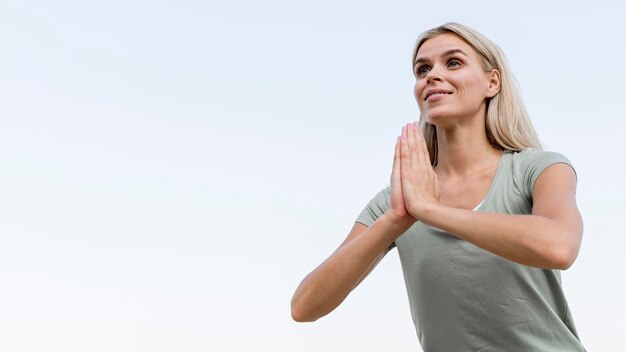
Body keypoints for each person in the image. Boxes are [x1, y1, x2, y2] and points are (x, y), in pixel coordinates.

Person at [290, 22, 586, 351]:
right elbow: (305, 306)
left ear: (492, 82)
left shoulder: (539, 169)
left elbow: (559, 247)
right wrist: (395, 219)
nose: (432, 75)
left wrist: (430, 211)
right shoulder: (398, 202)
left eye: (453, 62)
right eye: (422, 69)